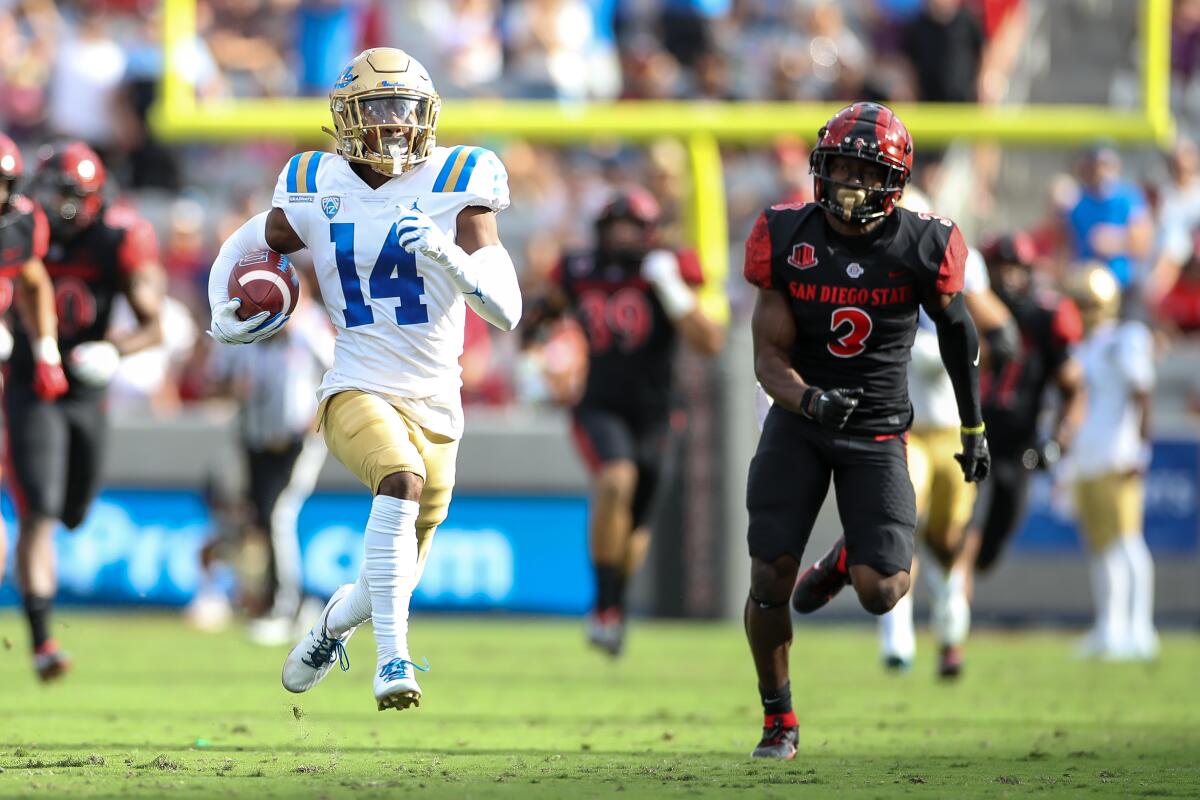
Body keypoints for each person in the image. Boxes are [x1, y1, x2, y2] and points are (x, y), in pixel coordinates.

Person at [206, 48, 521, 712]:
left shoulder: (457, 179)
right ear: (345, 118)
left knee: (393, 577)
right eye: (376, 107)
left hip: (439, 401)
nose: (392, 123)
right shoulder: (313, 182)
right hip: (354, 383)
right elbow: (243, 244)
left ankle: (328, 626)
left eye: (404, 108)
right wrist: (220, 315)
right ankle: (393, 661)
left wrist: (450, 259)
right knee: (398, 479)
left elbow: (508, 310)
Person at [742, 102, 988, 760]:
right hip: (799, 421)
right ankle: (779, 718)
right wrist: (808, 399)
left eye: (864, 169)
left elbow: (961, 332)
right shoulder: (785, 233)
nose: (851, 183)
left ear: (896, 179)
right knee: (769, 576)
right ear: (820, 170)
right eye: (841, 167)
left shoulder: (923, 241)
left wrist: (974, 426)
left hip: (878, 430)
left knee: (885, 592)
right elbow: (768, 358)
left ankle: (848, 558)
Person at [525, 187, 723, 656]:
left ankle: (611, 603)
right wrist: (532, 353)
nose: (620, 236)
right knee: (616, 479)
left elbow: (710, 342)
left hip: (657, 411)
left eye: (630, 227)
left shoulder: (669, 267)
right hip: (600, 403)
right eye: (613, 226)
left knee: (635, 526)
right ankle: (606, 608)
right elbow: (541, 313)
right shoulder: (578, 269)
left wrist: (671, 288)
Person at [8, 141, 164, 681]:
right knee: (40, 510)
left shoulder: (117, 238)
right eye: (51, 192)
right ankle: (43, 641)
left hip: (86, 389)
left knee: (74, 510)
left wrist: (114, 349)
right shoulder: (20, 226)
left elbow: (154, 324)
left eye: (69, 196)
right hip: (30, 383)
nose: (58, 205)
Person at [875, 190, 1017, 678]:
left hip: (954, 429)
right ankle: (899, 639)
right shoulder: (872, 259)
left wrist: (975, 352)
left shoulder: (956, 260)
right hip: (904, 429)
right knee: (899, 530)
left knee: (948, 539)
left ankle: (951, 628)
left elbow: (998, 333)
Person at [955, 232, 1085, 611]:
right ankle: (955, 612)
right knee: (963, 528)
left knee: (996, 538)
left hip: (1018, 444)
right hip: (970, 435)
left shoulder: (1044, 318)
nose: (1008, 277)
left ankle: (963, 578)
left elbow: (1074, 387)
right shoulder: (966, 308)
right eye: (1000, 267)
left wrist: (1060, 439)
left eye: (1016, 268)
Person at [208, 272, 333, 644]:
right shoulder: (239, 331)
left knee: (279, 515)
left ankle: (286, 604)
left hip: (298, 440)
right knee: (260, 519)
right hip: (254, 438)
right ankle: (278, 601)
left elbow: (339, 370)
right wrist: (233, 388)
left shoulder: (308, 329)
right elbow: (215, 379)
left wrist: (319, 418)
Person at [0, 132, 70, 674]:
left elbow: (32, 279)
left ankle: (40, 642)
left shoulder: (21, 221)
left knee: (15, 522)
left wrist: (45, 350)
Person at [1063, 265, 1158, 661]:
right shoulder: (1079, 347)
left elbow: (1143, 392)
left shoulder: (1125, 340)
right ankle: (1110, 627)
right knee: (1101, 546)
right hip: (1087, 456)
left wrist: (1140, 447)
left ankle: (1140, 629)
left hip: (1118, 453)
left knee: (1127, 542)